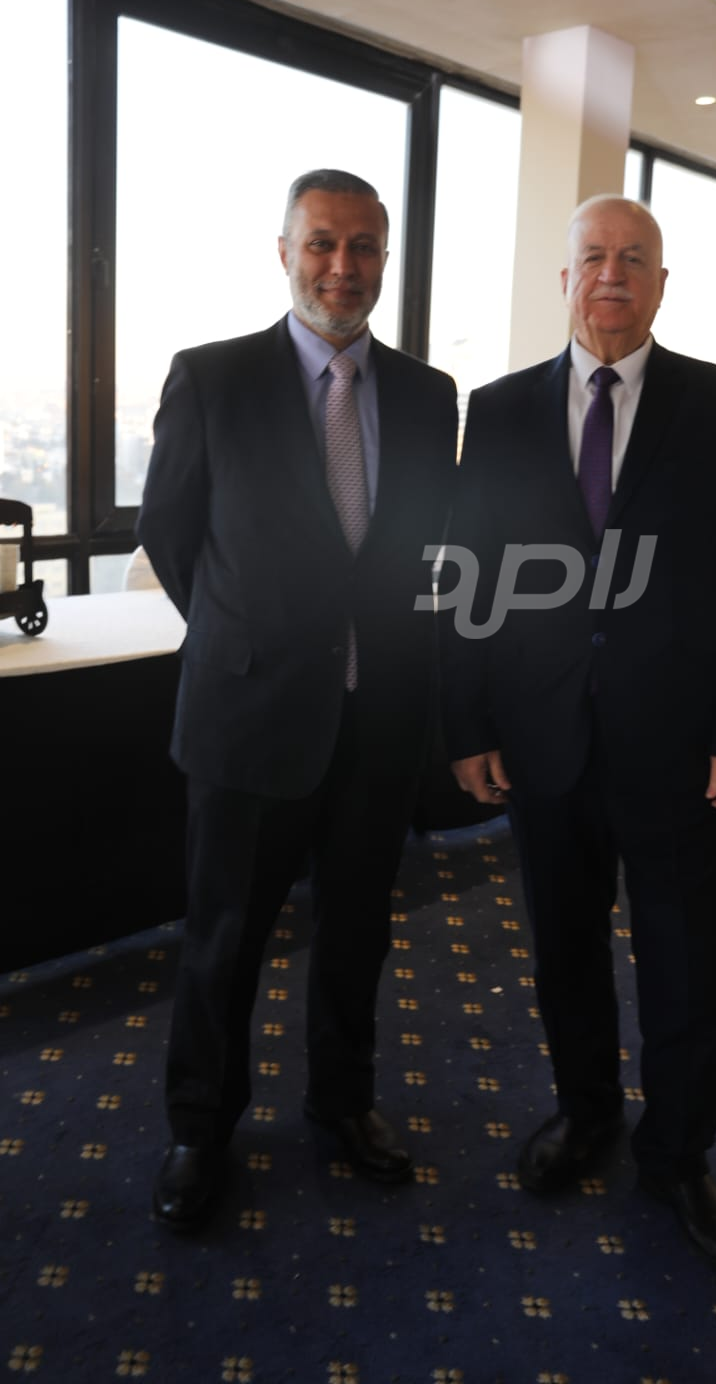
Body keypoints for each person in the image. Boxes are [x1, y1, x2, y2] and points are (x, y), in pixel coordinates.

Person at [442, 195, 716, 1272]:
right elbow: (472, 579)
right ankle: (586, 1112)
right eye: (592, 256)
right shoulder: (499, 411)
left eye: (633, 258)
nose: (611, 274)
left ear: (661, 283)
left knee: (688, 957)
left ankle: (678, 1156)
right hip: (541, 739)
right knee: (564, 947)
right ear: (565, 278)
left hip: (681, 747)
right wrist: (470, 722)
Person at [137, 169, 457, 1228]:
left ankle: (343, 1102)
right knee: (224, 938)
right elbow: (170, 534)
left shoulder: (429, 395)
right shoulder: (213, 378)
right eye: (322, 243)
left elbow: (424, 549)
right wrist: (247, 636)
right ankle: (200, 1126)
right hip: (248, 718)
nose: (342, 267)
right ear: (284, 252)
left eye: (364, 247)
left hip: (379, 722)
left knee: (359, 931)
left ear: (384, 260)